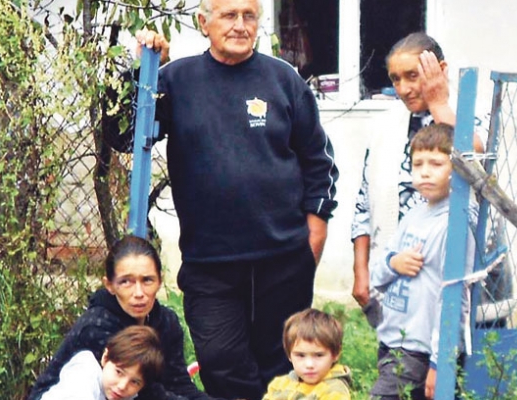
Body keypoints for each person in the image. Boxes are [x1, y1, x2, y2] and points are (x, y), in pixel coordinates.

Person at [131, 0, 340, 398]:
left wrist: (314, 236)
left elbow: (319, 162)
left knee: (283, 366)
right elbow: (123, 134)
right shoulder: (176, 80)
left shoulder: (283, 79)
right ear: (203, 22)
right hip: (210, 263)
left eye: (249, 16)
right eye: (229, 15)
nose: (241, 25)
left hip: (283, 260)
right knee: (219, 360)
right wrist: (144, 72)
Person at [352, 32, 510, 329]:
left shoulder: (473, 111)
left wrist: (439, 104)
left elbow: (474, 156)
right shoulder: (386, 126)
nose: (404, 88)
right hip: (406, 277)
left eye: (413, 76)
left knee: (472, 356)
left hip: (468, 276)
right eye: (396, 79)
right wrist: (361, 270)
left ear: (440, 69)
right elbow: (363, 202)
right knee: (405, 354)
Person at [30, 235, 211, 400]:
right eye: (125, 282)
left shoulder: (166, 322)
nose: (138, 293)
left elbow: (178, 384)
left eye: (147, 280)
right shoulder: (97, 326)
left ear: (160, 281)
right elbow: (147, 394)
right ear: (109, 285)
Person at [370, 123, 474, 400]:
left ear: (457, 169)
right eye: (418, 164)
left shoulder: (454, 224)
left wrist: (440, 363)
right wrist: (394, 263)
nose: (425, 172)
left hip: (420, 350)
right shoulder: (414, 214)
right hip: (392, 341)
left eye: (436, 163)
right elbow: (376, 276)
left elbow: (454, 299)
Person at [41, 325, 165, 400]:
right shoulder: (84, 372)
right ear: (105, 358)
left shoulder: (124, 396)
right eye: (119, 372)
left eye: (134, 382)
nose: (122, 386)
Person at [262, 309, 352, 400]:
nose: (309, 364)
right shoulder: (279, 385)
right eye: (300, 355)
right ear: (289, 354)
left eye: (319, 355)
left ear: (335, 354)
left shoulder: (334, 391)